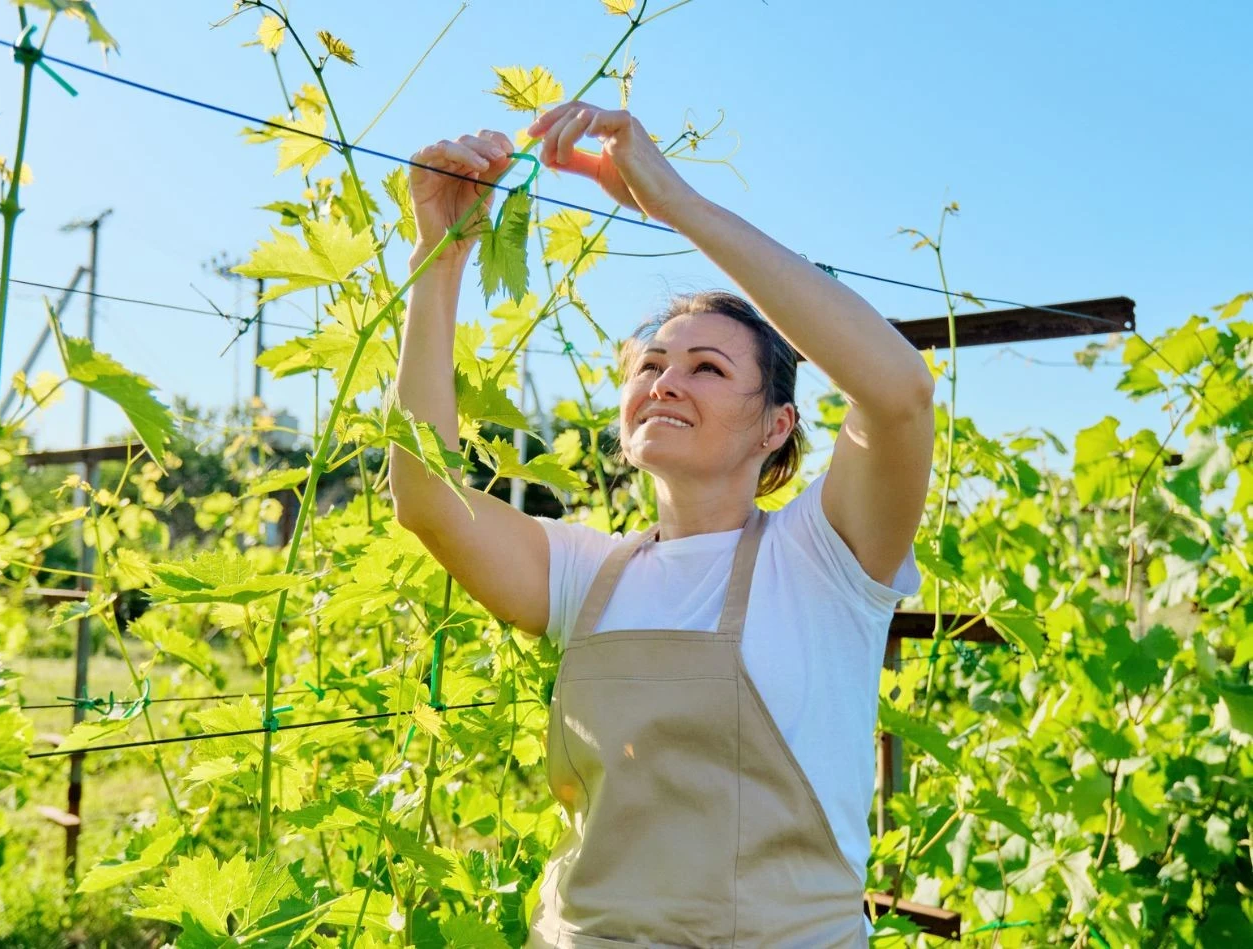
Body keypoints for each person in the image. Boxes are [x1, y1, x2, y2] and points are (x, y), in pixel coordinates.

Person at [389, 101, 935, 948]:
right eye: (651, 364)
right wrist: (439, 256)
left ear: (776, 426)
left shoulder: (824, 556)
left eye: (708, 366)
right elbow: (427, 498)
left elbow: (898, 392)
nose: (666, 381)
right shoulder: (589, 574)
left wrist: (673, 203)